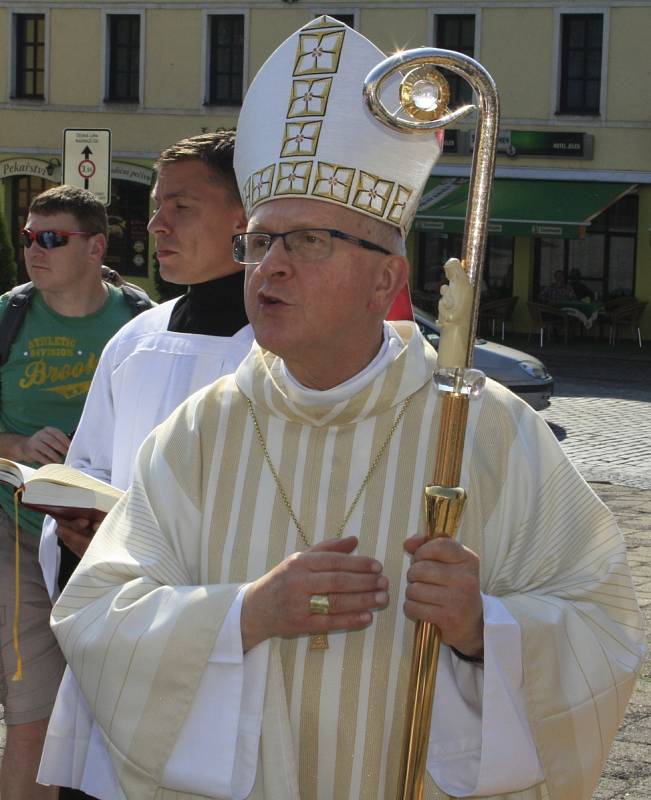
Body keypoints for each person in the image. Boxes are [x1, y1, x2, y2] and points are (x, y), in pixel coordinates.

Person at [41, 18, 645, 800]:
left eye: (310, 242)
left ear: (382, 278)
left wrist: (480, 631)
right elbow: (98, 616)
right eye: (258, 243)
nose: (272, 267)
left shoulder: (484, 429)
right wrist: (245, 615)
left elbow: (602, 631)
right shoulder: (200, 431)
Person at [0, 184, 154, 800]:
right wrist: (15, 445)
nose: (34, 250)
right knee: (33, 721)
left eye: (51, 239)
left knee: (120, 724)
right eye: (29, 238)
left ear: (95, 247)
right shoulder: (8, 317)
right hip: (18, 541)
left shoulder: (144, 324)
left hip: (118, 546)